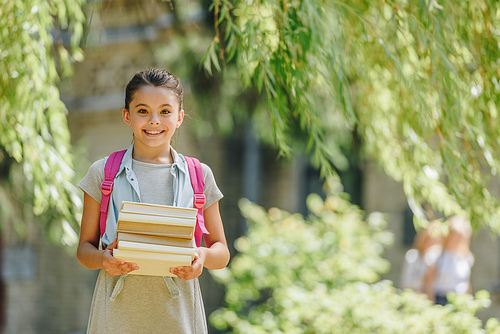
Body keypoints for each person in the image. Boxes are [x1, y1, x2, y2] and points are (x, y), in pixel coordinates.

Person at [76, 68, 230, 333]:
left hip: (179, 316)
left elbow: (221, 252)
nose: (154, 121)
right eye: (143, 111)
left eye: (166, 111)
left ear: (180, 117)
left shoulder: (199, 175)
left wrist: (201, 256)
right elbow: (84, 251)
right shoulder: (102, 173)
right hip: (115, 314)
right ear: (127, 116)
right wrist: (104, 259)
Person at [424, 215, 474, 305]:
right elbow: (428, 282)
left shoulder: (465, 257)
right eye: (454, 234)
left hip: (460, 300)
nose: (456, 239)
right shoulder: (436, 255)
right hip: (441, 299)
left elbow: (466, 283)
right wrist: (430, 303)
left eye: (459, 236)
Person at [400, 221, 443, 293]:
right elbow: (406, 282)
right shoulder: (413, 256)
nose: (432, 244)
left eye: (436, 241)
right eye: (429, 240)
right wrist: (424, 280)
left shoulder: (441, 257)